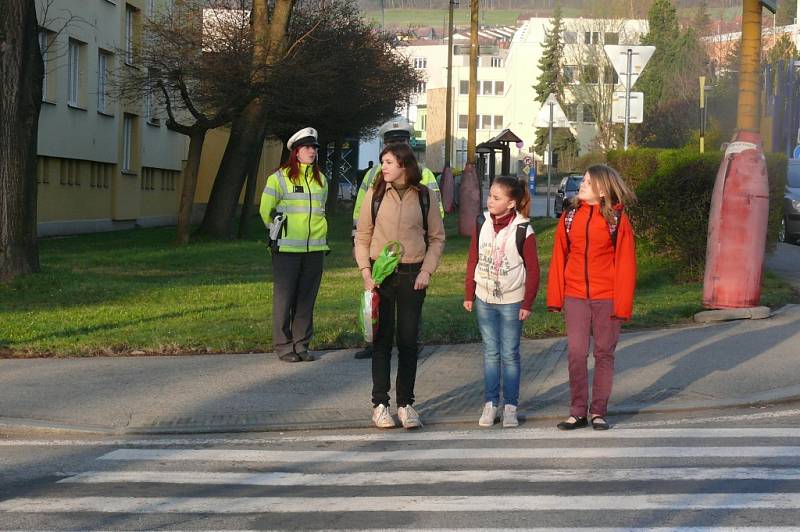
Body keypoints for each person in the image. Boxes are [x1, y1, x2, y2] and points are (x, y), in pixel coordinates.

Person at [354, 143, 445, 429]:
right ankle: (380, 404)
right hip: (381, 276)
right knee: (381, 341)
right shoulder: (375, 194)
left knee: (408, 342)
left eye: (389, 162)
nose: (384, 166)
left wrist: (427, 270)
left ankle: (406, 404)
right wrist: (366, 273)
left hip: (412, 275)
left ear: (404, 164)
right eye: (383, 161)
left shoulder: (425, 196)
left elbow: (437, 238)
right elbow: (362, 236)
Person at [546, 164, 637, 431]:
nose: (582, 185)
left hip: (607, 296)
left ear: (602, 189)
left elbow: (626, 263)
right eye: (583, 181)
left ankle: (598, 411)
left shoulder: (617, 219)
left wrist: (622, 304)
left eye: (587, 181)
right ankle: (577, 411)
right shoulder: (570, 216)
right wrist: (556, 296)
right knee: (576, 353)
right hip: (575, 295)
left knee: (604, 353)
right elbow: (559, 256)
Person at [352, 117, 444, 360]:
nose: (396, 144)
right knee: (377, 304)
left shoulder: (423, 175)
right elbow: (363, 205)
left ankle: (413, 340)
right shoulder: (375, 172)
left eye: (401, 140)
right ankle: (374, 342)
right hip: (380, 252)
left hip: (412, 252)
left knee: (410, 310)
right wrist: (359, 232)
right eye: (392, 142)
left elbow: (437, 212)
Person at [464, 176, 540, 428]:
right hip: (484, 297)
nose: (490, 201)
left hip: (511, 301)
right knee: (490, 352)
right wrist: (469, 293)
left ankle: (510, 406)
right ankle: (490, 403)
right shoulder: (482, 221)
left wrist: (527, 303)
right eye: (489, 196)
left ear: (511, 203)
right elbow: (473, 257)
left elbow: (534, 270)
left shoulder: (523, 230)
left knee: (509, 354)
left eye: (496, 198)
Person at [259, 127, 328, 363]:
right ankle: (283, 345)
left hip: (315, 250)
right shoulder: (278, 178)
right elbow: (265, 211)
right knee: (285, 299)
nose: (312, 151)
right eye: (307, 147)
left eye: (314, 148)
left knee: (306, 299)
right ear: (296, 152)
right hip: (287, 250)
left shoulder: (321, 181)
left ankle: (302, 345)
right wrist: (277, 232)